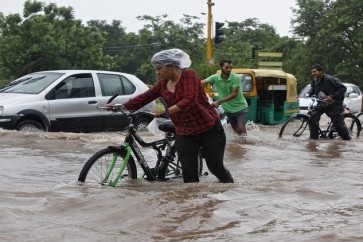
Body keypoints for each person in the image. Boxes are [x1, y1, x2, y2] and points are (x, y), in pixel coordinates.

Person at [107, 48, 234, 183]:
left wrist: (165, 112)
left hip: (209, 129)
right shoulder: (162, 84)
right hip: (185, 133)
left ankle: (230, 191)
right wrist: (121, 106)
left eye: (159, 69)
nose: (157, 72)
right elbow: (145, 97)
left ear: (171, 66)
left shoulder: (189, 76)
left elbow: (189, 99)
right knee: (189, 174)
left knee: (215, 167)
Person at [201, 59, 249, 136]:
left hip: (241, 108)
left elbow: (234, 94)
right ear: (220, 67)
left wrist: (219, 102)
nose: (229, 69)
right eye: (226, 67)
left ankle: (246, 146)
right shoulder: (215, 77)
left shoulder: (236, 78)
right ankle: (239, 146)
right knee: (236, 132)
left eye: (230, 67)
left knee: (241, 128)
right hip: (228, 110)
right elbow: (201, 83)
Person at [306, 64, 351, 140]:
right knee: (312, 118)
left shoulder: (330, 79)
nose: (313, 74)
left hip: (334, 104)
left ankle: (347, 140)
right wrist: (308, 93)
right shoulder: (315, 79)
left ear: (321, 71)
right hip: (322, 103)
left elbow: (343, 88)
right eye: (312, 72)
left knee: (338, 124)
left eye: (315, 72)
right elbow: (313, 88)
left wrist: (332, 96)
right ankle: (313, 139)